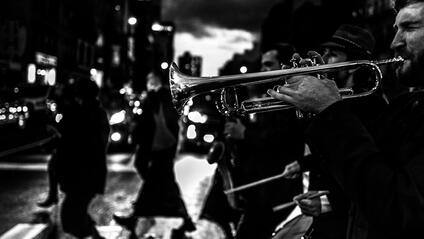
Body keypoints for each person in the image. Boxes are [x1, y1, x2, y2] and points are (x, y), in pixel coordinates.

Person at [268, 1, 424, 238]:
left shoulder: (377, 104)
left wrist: (329, 109)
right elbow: (361, 162)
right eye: (396, 29)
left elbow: (396, 205)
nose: (394, 42)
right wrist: (311, 103)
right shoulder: (406, 105)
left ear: (351, 64)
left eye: (410, 27)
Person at [282, 24, 388, 239]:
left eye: (333, 54)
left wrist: (327, 203)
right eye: (325, 52)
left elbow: (369, 170)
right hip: (325, 222)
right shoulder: (337, 102)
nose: (323, 59)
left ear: (352, 65)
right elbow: (328, 151)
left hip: (346, 226)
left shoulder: (372, 107)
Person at [222, 42, 304, 239]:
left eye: (268, 65)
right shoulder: (268, 97)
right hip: (258, 191)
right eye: (262, 65)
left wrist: (245, 134)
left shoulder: (293, 99)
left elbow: (285, 140)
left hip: (277, 193)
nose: (262, 70)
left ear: (284, 67)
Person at [113, 71, 196, 239]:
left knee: (156, 182)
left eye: (150, 80)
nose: (149, 83)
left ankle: (136, 218)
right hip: (162, 145)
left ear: (155, 81)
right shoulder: (162, 97)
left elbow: (151, 120)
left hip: (160, 146)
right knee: (164, 183)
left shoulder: (159, 96)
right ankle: (183, 219)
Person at [56, 79, 110, 239]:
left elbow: (69, 141)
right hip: (89, 171)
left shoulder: (79, 113)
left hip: (80, 171)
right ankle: (91, 233)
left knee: (72, 214)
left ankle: (91, 233)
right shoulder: (96, 113)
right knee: (76, 212)